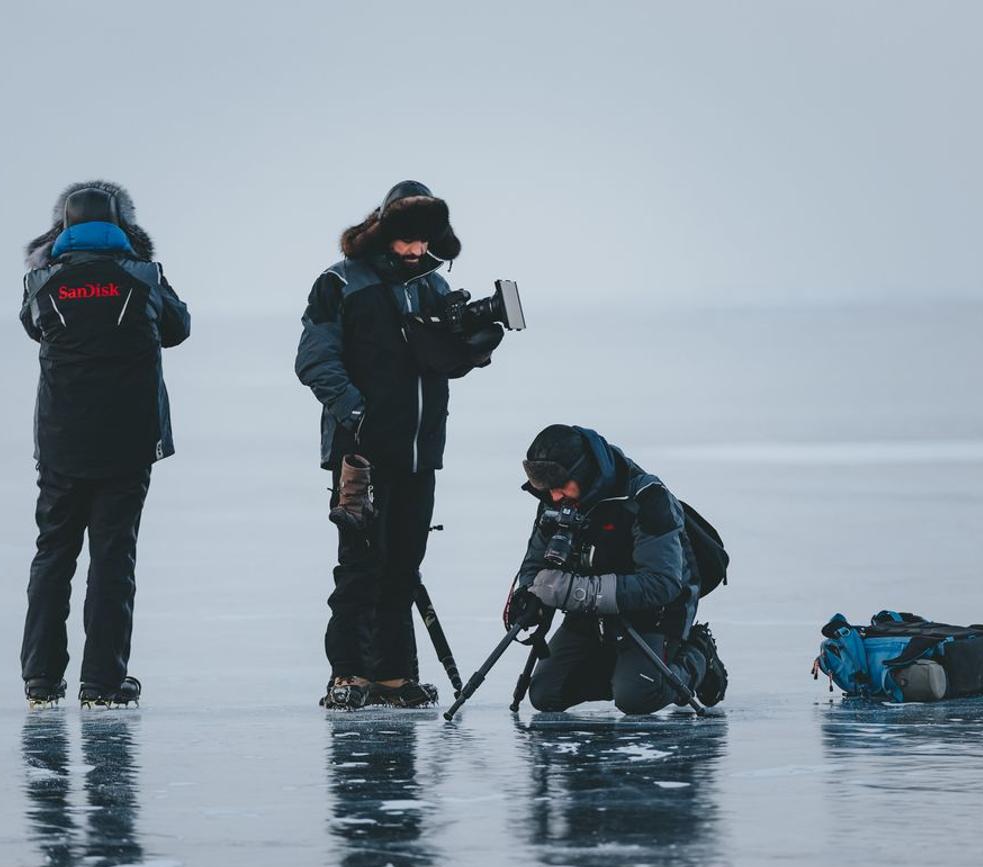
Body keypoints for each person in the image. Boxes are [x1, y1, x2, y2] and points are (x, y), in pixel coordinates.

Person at [296, 180, 505, 710]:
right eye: (406, 240)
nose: (415, 251)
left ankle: (392, 676)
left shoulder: (430, 285)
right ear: (383, 232)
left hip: (418, 453)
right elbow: (314, 359)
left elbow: (437, 363)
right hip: (360, 453)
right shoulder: (340, 282)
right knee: (360, 564)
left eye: (424, 241)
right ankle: (347, 675)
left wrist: (474, 344)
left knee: (404, 563)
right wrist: (356, 411)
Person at [18, 180, 190, 709]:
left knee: (53, 555)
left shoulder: (41, 283)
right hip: (128, 441)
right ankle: (102, 683)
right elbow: (178, 328)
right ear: (125, 226)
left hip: (62, 442)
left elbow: (31, 328)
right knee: (114, 559)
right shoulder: (144, 277)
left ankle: (41, 681)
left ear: (61, 228)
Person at [506, 425, 728, 714]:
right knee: (545, 695)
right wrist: (529, 594)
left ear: (583, 471)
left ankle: (699, 654)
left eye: (561, 486)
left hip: (655, 615)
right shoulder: (555, 499)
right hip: (591, 615)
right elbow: (536, 561)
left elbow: (663, 584)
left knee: (637, 697)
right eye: (548, 489)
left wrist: (576, 591)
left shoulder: (647, 498)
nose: (556, 497)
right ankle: (624, 669)